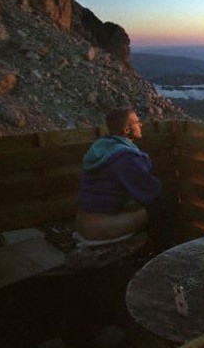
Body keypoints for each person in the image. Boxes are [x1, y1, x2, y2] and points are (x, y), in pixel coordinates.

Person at [75, 107, 175, 251]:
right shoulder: (124, 157)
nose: (140, 125)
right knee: (163, 208)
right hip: (101, 227)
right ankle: (164, 257)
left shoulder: (103, 148)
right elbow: (151, 192)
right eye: (137, 122)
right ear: (127, 130)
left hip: (82, 223)